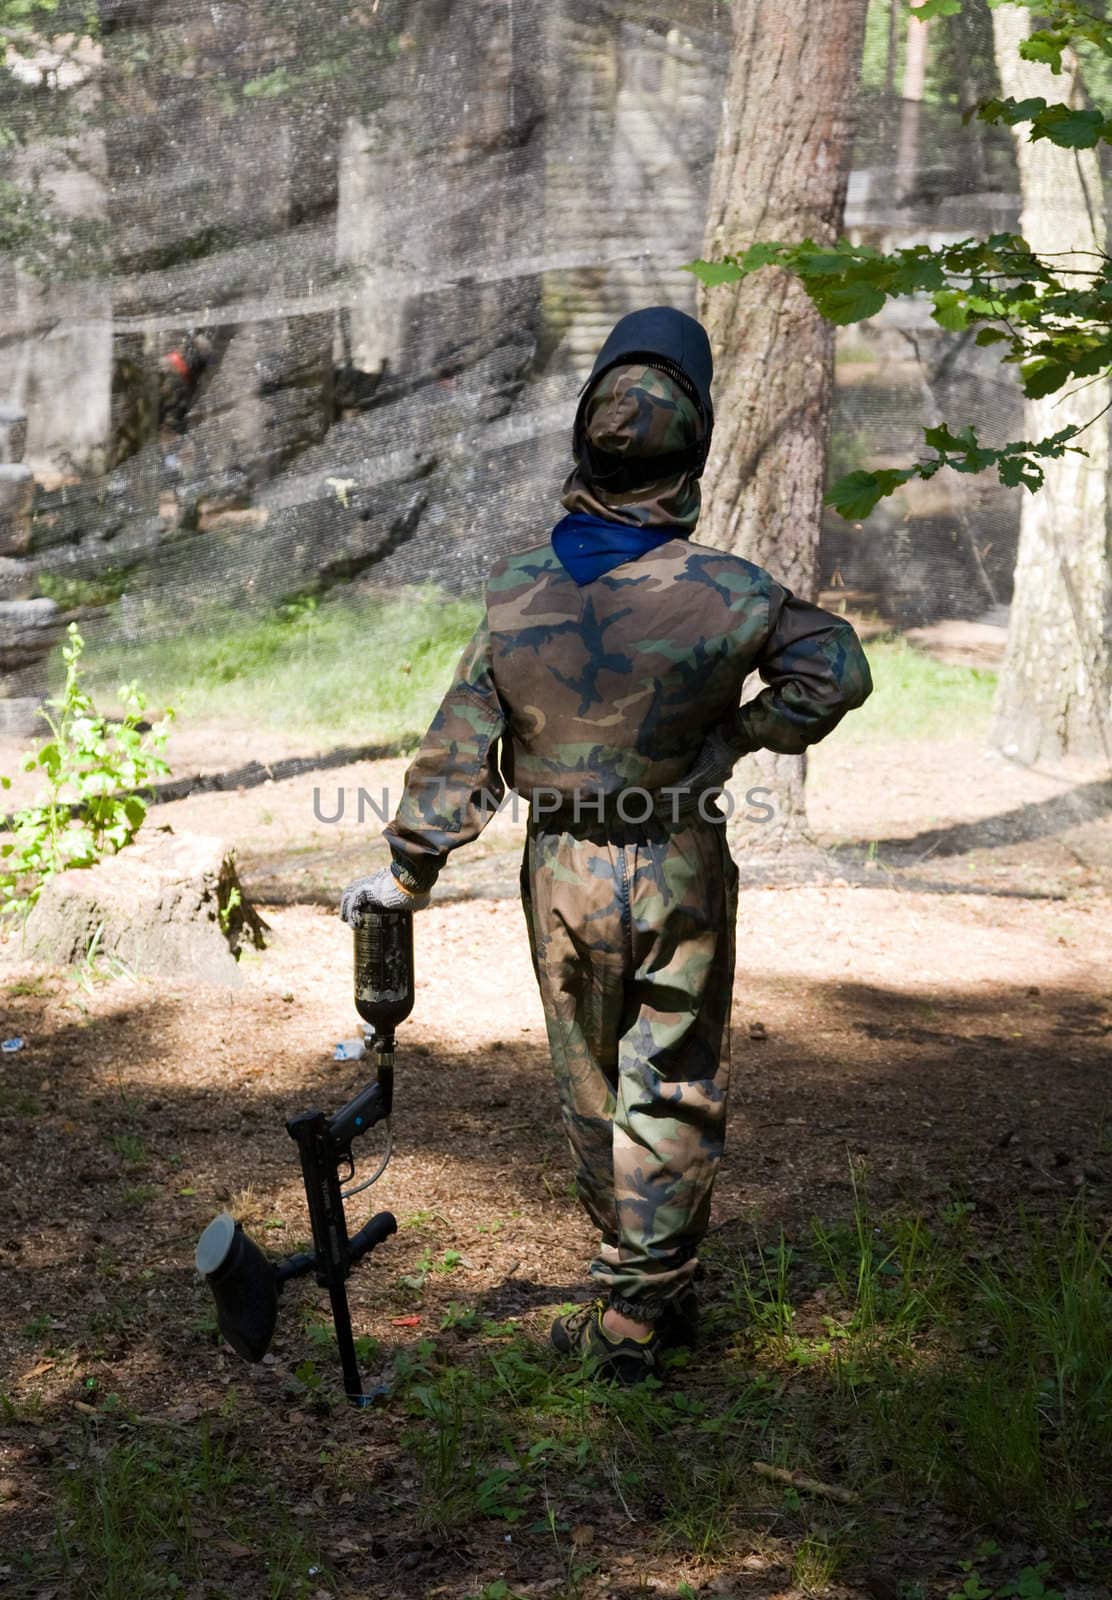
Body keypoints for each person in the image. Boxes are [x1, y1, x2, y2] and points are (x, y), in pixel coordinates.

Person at [340, 307, 873, 1383]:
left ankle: (634, 1287)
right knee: (669, 1073)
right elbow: (838, 670)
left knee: (588, 1079)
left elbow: (458, 754)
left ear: (585, 444)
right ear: (696, 449)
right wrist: (740, 731)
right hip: (678, 857)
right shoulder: (732, 590)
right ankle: (645, 1295)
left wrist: (406, 873)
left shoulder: (514, 591)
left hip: (565, 871)